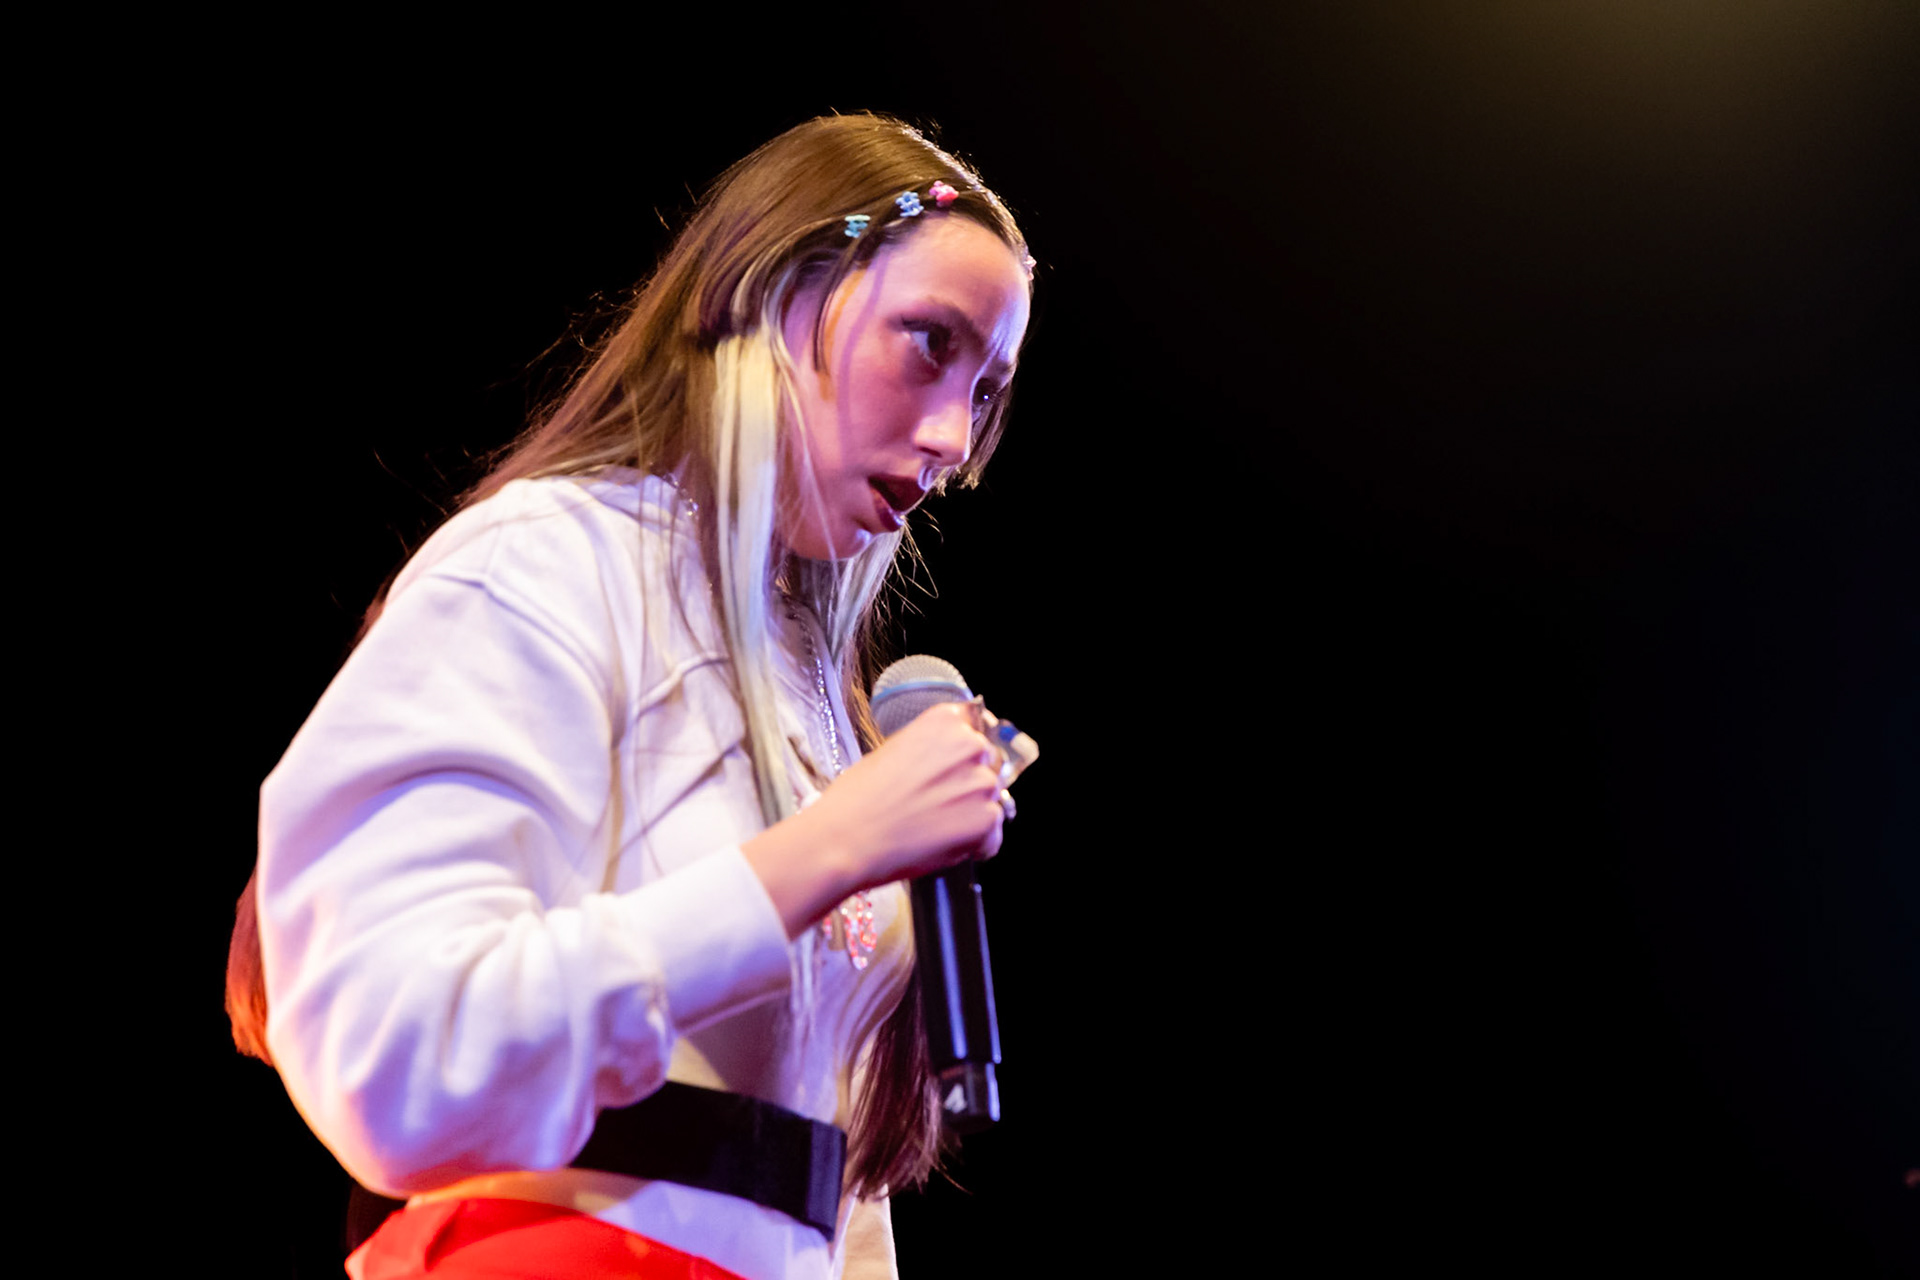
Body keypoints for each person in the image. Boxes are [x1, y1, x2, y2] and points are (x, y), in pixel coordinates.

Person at [231, 113, 1035, 1280]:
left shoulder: (819, 702)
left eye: (989, 388)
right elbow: (393, 1052)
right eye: (928, 342)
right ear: (774, 292)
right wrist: (829, 846)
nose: (954, 439)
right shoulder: (544, 563)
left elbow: (825, 1194)